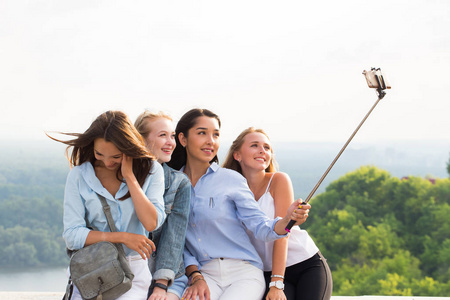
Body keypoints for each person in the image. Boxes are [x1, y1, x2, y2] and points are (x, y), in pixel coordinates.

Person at [167, 108, 310, 300]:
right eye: (202, 133)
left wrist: (286, 220)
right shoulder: (171, 185)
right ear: (183, 139)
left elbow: (259, 225)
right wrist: (195, 275)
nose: (211, 141)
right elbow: (176, 242)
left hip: (243, 273)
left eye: (216, 135)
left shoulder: (231, 179)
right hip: (204, 275)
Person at [49, 110, 166, 300]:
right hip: (92, 270)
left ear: (129, 149)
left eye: (116, 156)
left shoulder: (152, 171)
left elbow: (151, 223)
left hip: (133, 270)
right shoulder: (79, 176)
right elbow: (72, 235)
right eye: (99, 153)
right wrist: (122, 237)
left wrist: (130, 177)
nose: (107, 161)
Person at [222, 127, 333, 300]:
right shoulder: (228, 189)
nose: (262, 151)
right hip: (265, 272)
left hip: (305, 265)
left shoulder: (278, 180)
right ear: (237, 155)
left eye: (267, 147)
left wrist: (276, 283)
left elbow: (283, 234)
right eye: (254, 145)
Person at [134, 110, 191, 300]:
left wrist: (160, 285)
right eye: (162, 135)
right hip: (127, 272)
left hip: (167, 274)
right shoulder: (123, 177)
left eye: (172, 136)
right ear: (140, 139)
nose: (170, 142)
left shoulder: (179, 183)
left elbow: (173, 237)